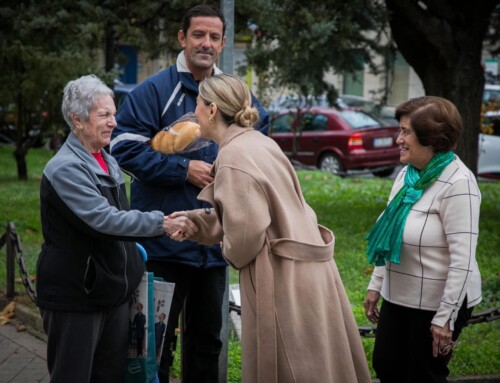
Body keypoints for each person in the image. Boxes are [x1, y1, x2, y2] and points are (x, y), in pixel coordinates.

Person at [168, 73, 371, 383]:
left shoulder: (234, 155)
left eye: (197, 104)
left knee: (294, 370)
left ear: (211, 110)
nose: (193, 112)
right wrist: (195, 223)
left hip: (281, 278)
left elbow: (245, 237)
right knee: (320, 366)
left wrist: (228, 248)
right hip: (306, 272)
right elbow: (250, 213)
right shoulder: (259, 142)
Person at [109, 5, 269, 382]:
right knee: (154, 345)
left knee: (208, 343)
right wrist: (184, 169)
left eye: (215, 37)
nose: (206, 43)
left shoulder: (234, 93)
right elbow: (123, 149)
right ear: (182, 38)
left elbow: (259, 136)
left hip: (213, 248)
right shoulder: (152, 91)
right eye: (199, 34)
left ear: (224, 42)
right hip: (163, 242)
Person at [36, 74, 195, 383]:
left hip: (111, 294)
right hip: (76, 296)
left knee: (110, 376)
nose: (113, 122)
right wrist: (160, 223)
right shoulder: (66, 167)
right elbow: (105, 220)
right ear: (77, 120)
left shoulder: (105, 159)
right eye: (104, 115)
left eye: (114, 114)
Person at [363, 96, 482, 383]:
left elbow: (462, 260)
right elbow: (391, 235)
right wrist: (375, 285)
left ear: (431, 138)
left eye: (405, 132)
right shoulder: (408, 175)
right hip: (399, 291)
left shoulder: (459, 184)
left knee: (423, 375)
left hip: (439, 300)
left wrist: (445, 318)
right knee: (387, 366)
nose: (397, 139)